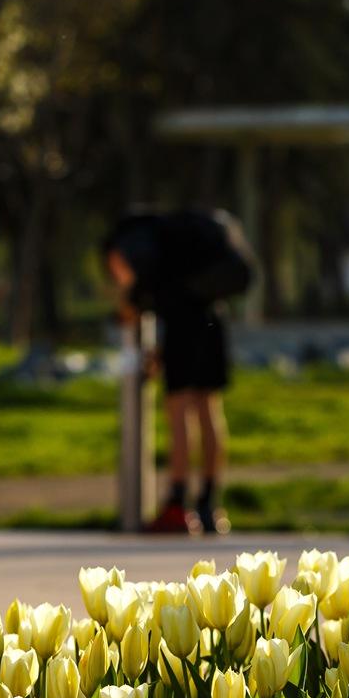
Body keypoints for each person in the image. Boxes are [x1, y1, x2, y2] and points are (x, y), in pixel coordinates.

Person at [101, 209, 255, 534]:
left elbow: (133, 301)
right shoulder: (189, 251)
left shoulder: (124, 246)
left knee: (178, 411)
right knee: (209, 410)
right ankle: (210, 506)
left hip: (183, 325)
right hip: (213, 319)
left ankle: (176, 505)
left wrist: (128, 312)